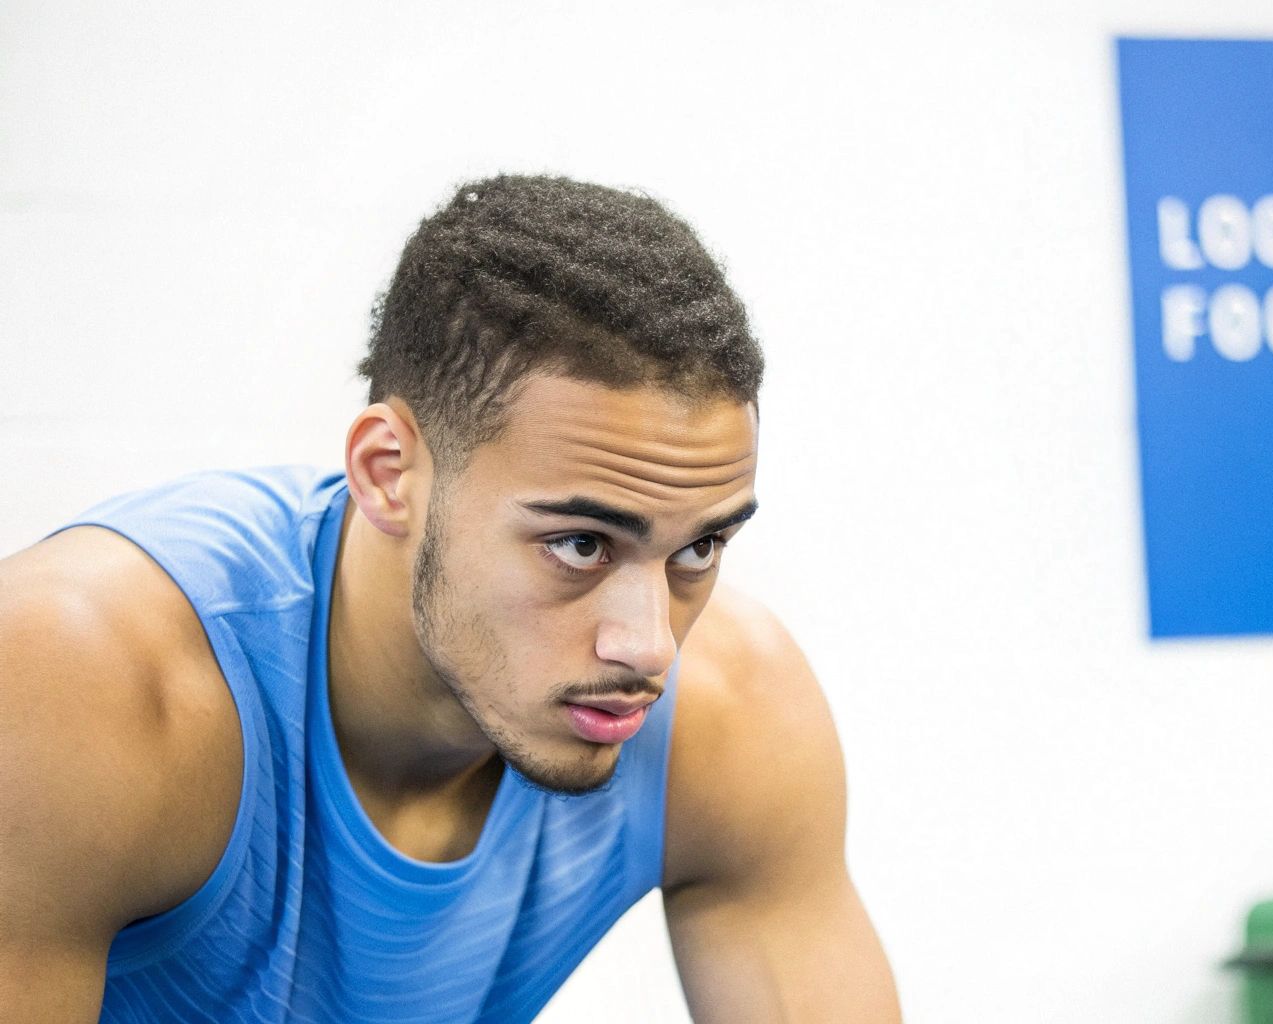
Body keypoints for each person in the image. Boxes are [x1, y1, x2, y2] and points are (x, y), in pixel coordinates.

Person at [0, 175, 901, 1023]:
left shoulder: (732, 711)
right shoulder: (76, 683)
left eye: (699, 548)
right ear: (388, 474)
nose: (651, 645)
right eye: (581, 546)